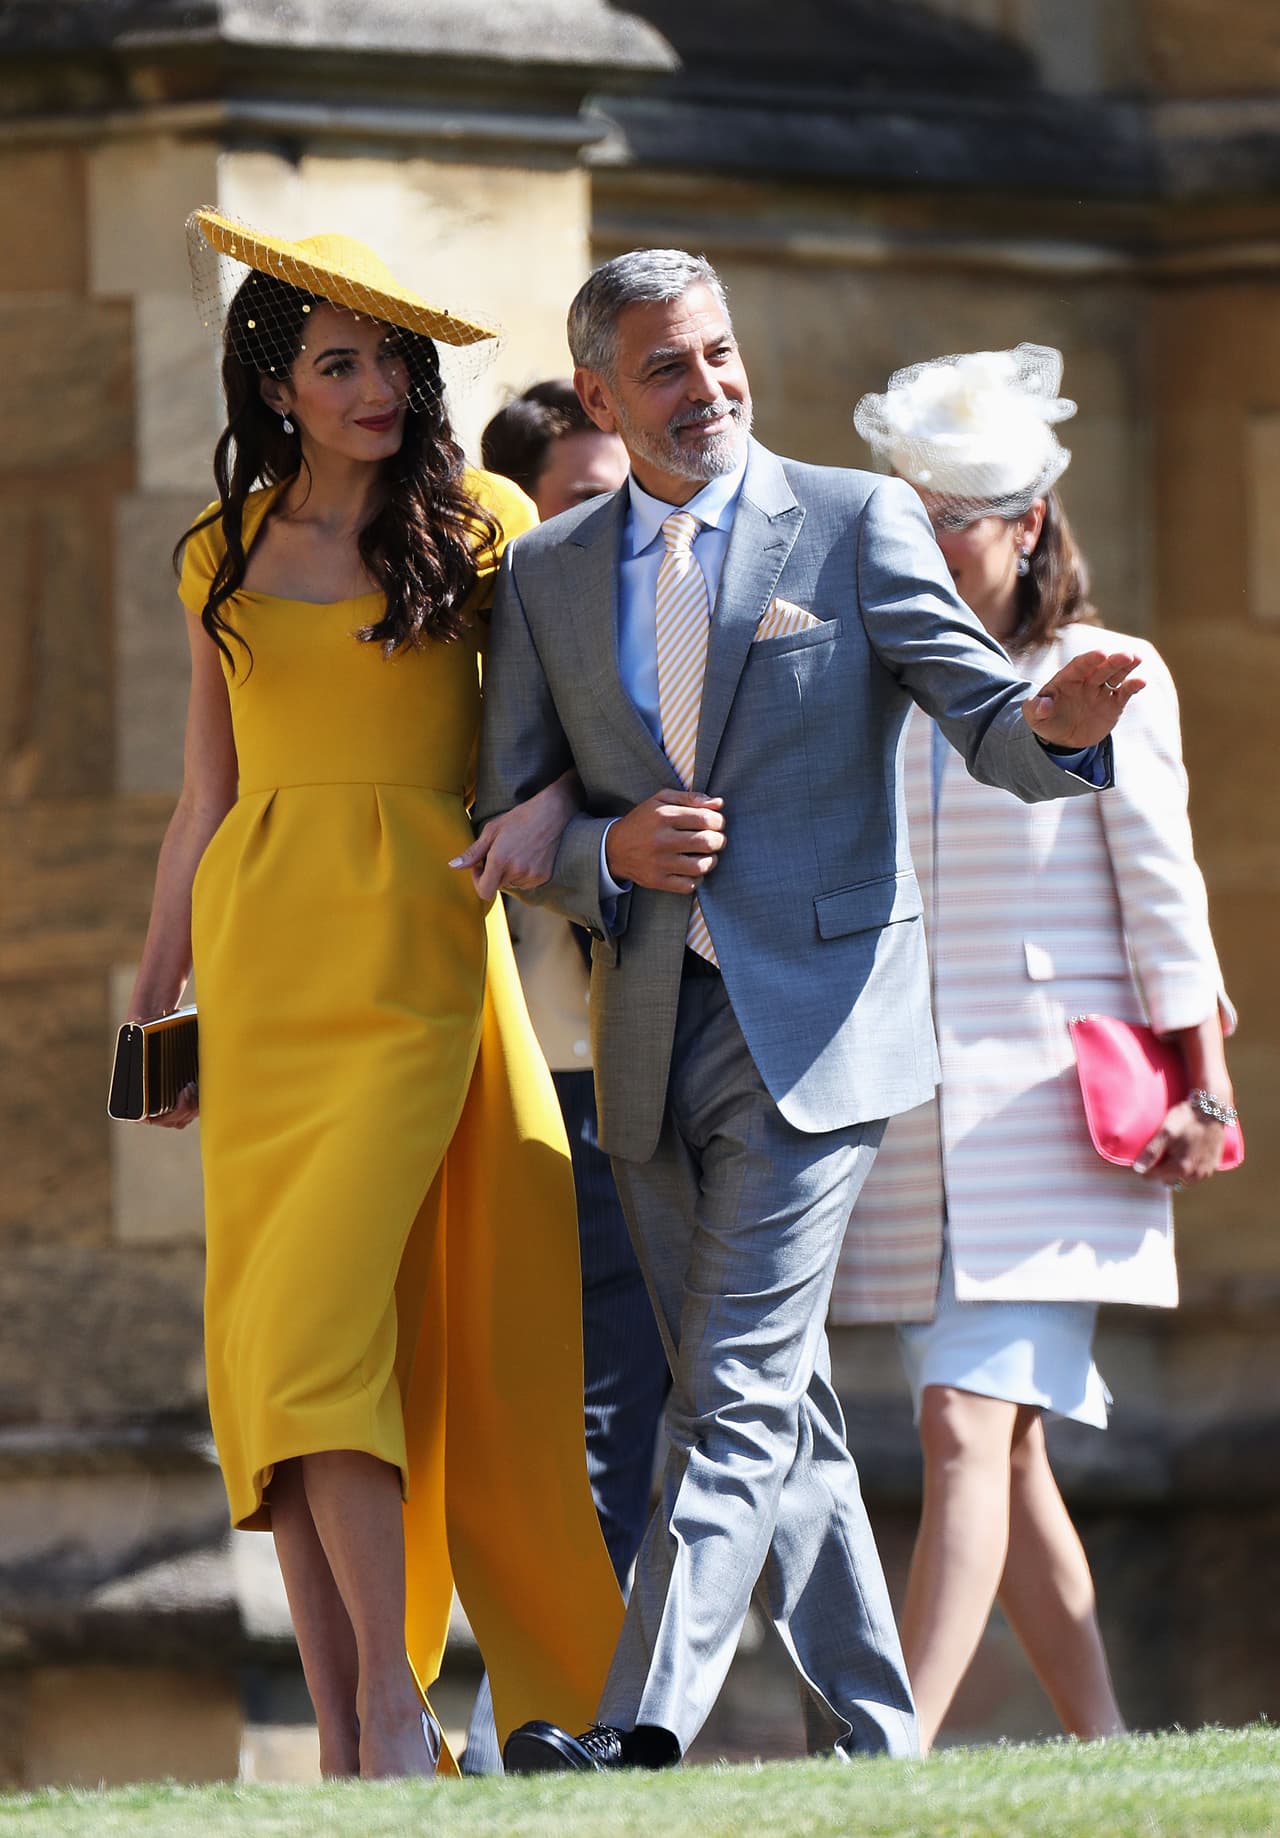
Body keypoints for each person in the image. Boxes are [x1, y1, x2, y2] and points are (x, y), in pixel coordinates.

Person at [468, 249, 1145, 1774]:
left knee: (726, 1395)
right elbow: (508, 808)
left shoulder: (852, 520)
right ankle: (882, 1737)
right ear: (597, 394)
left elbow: (986, 713)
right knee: (790, 1413)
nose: (707, 386)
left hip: (822, 1031)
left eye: (719, 353)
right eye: (665, 366)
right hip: (642, 1032)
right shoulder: (546, 573)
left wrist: (1063, 730)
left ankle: (635, 1728)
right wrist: (604, 851)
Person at [125, 209, 622, 1782]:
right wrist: (154, 1010)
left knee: (335, 1324)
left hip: (419, 960)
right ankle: (353, 1743)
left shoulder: (478, 525)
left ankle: (403, 1708)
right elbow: (202, 801)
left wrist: (564, 828)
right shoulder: (218, 550)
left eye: (392, 360)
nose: (377, 389)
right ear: (275, 384)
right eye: (340, 364)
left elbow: (558, 742)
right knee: (276, 1353)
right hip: (265, 975)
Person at [833, 343, 1237, 1752]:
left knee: (960, 1424)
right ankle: (1110, 1743)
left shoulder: (1106, 670)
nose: (936, 542)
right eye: (916, 513)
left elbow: (1163, 884)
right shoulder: (877, 678)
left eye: (964, 516)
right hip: (911, 1122)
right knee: (1009, 1446)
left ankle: (890, 1749)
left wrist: (1207, 1083)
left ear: (1032, 523)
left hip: (1058, 1118)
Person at [459, 384, 665, 1776]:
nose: (610, 524)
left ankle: (585, 1718)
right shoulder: (495, 654)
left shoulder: (668, 628)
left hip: (678, 1069)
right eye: (578, 501)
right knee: (585, 1424)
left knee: (688, 1423)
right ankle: (524, 1722)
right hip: (545, 1081)